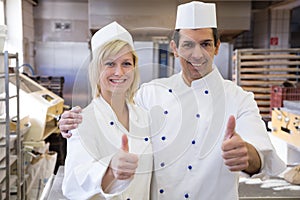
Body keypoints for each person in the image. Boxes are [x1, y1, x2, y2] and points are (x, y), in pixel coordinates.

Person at [59, 2, 286, 199]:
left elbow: (261, 156)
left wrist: (246, 154)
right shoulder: (151, 94)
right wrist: (69, 122)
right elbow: (112, 110)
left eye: (205, 44)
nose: (197, 54)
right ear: (175, 48)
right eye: (188, 44)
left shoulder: (240, 99)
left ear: (217, 47)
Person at [61, 21, 152, 199]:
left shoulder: (143, 117)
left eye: (126, 63)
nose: (119, 72)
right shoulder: (82, 120)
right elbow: (72, 184)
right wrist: (110, 170)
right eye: (110, 64)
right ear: (97, 69)